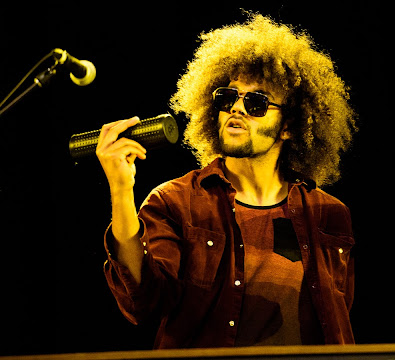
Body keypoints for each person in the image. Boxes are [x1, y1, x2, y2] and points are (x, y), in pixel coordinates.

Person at [97, 13, 357, 349]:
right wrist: (121, 190)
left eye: (257, 102)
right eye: (227, 97)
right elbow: (144, 303)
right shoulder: (175, 202)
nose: (236, 108)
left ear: (290, 125)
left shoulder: (329, 213)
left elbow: (337, 324)